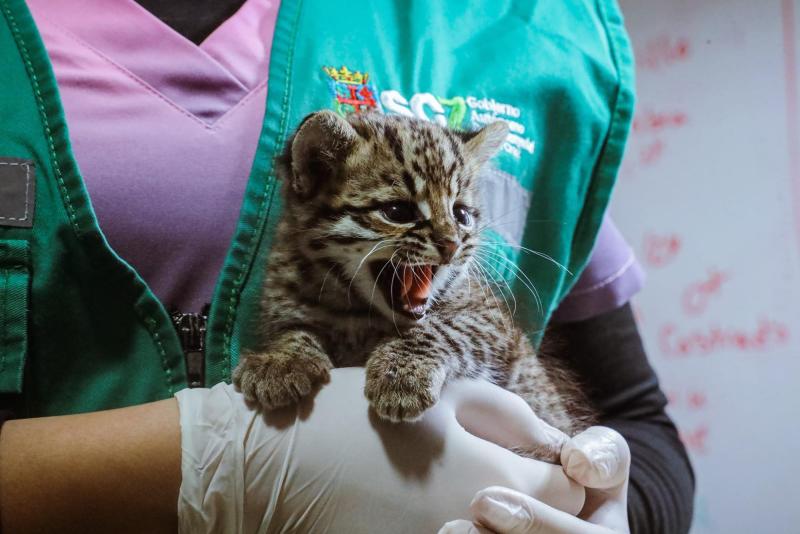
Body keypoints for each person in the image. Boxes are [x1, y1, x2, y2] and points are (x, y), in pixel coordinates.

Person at [0, 0, 694, 532]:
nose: (449, 245)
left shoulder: (527, 29)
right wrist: (220, 459)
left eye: (458, 222)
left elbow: (638, 421)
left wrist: (610, 508)